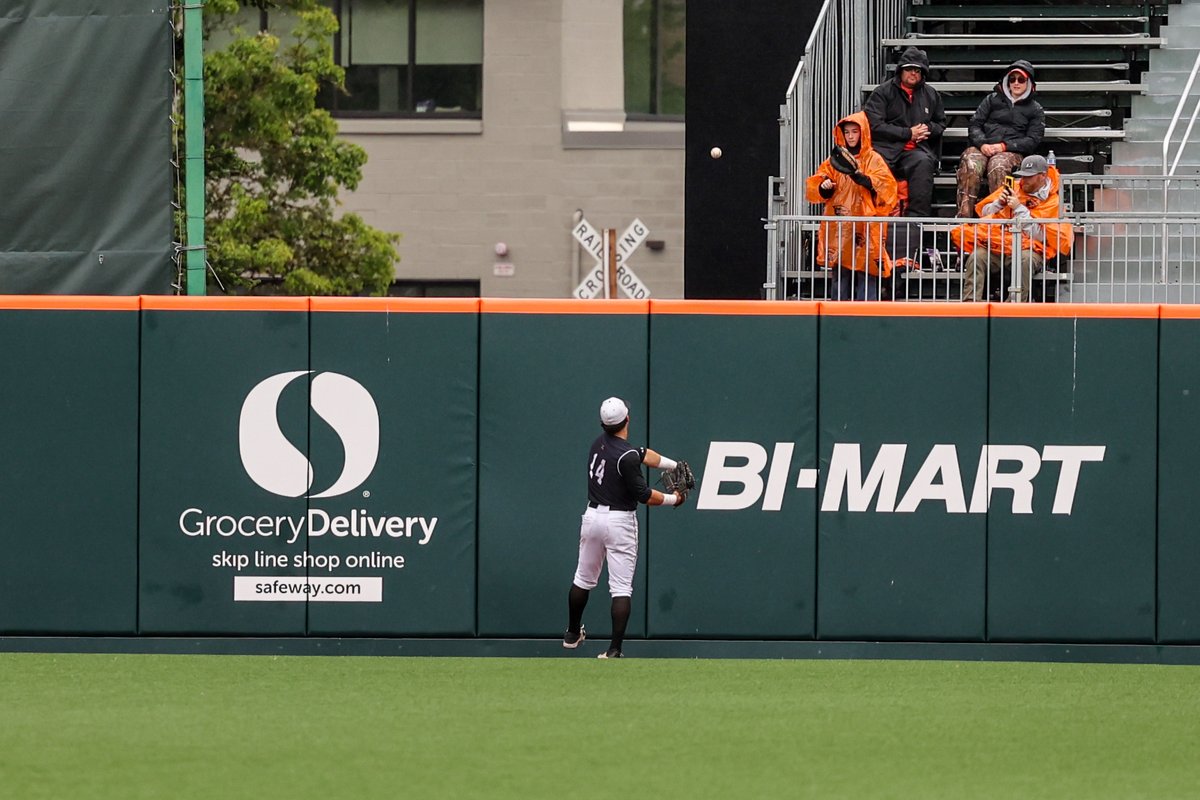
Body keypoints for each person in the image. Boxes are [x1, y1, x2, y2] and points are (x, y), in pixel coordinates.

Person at [564, 397, 685, 659]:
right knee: (620, 588)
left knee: (582, 579)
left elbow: (642, 454)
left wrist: (673, 465)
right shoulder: (626, 457)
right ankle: (614, 649)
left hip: (593, 516)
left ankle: (572, 634)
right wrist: (675, 498)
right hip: (619, 522)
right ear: (627, 419)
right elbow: (644, 496)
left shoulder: (598, 444)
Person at [951, 154, 1072, 302]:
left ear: (1042, 176)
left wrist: (1019, 209)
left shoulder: (1053, 202)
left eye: (1029, 176)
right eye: (1023, 176)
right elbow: (983, 213)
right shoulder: (1012, 187)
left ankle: (1015, 305)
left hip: (1029, 249)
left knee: (1025, 259)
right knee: (977, 256)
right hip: (999, 244)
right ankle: (970, 304)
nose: (1024, 180)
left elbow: (1043, 237)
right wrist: (998, 204)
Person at [805, 111, 899, 300]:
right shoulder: (834, 161)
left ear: (862, 132)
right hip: (840, 227)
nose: (850, 136)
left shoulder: (874, 159)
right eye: (847, 132)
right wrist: (825, 187)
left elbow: (888, 189)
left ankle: (866, 316)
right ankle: (838, 317)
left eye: (854, 132)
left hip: (867, 227)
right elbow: (816, 186)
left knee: (868, 272)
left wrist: (861, 177)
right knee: (840, 274)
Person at [863, 46, 945, 218]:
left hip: (916, 150)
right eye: (909, 69)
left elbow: (940, 123)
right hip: (884, 149)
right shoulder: (882, 92)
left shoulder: (931, 94)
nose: (913, 73)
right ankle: (875, 219)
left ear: (923, 73)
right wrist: (908, 133)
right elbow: (874, 125)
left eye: (917, 70)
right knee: (873, 167)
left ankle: (916, 223)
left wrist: (928, 129)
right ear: (900, 71)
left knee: (923, 164)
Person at [956, 60, 1046, 218]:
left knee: (998, 165)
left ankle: (1000, 220)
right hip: (983, 146)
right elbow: (974, 125)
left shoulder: (1035, 109)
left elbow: (1032, 140)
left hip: (1012, 151)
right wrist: (982, 143)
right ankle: (964, 220)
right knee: (970, 163)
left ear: (1029, 82)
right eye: (1012, 79)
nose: (1016, 83)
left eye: (1021, 79)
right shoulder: (991, 99)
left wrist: (1004, 146)